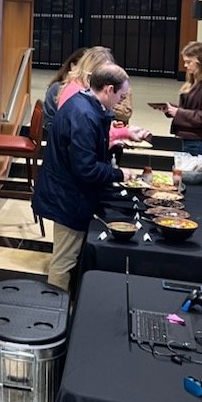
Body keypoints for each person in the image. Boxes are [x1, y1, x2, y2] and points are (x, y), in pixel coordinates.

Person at [32, 62, 136, 292]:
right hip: (68, 197)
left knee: (67, 257)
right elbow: (86, 168)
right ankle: (54, 316)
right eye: (121, 94)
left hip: (68, 193)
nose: (122, 100)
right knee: (64, 261)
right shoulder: (84, 114)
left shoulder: (84, 105)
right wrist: (120, 173)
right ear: (108, 89)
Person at [43, 47, 85, 136]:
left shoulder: (97, 91)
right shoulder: (57, 88)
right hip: (61, 138)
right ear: (72, 66)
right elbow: (49, 120)